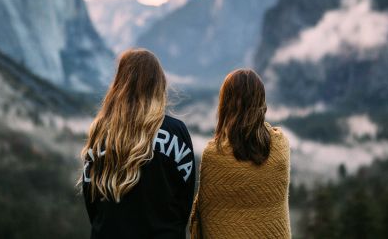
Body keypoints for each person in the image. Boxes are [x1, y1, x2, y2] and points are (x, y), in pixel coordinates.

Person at [80, 48, 195, 239]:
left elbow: (91, 199)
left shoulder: (100, 131)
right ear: (159, 85)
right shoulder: (176, 131)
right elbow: (185, 199)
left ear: (119, 84)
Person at [190, 69, 291, 239]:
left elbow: (207, 213)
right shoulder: (280, 147)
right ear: (262, 103)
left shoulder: (214, 155)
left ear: (225, 104)